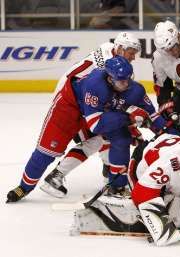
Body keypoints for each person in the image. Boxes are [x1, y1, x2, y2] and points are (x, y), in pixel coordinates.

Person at [6, 56, 176, 203]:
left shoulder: (134, 88)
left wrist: (171, 136)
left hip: (100, 112)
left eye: (128, 78)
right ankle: (24, 187)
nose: (126, 84)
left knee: (121, 138)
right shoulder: (96, 85)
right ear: (109, 78)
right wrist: (129, 118)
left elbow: (152, 115)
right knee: (48, 150)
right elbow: (96, 125)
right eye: (121, 80)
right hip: (69, 108)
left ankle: (116, 187)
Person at [38, 32, 142, 198]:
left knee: (105, 138)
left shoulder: (114, 60)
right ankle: (56, 176)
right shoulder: (106, 61)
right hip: (75, 105)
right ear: (120, 48)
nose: (134, 57)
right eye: (131, 53)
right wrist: (127, 122)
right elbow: (105, 95)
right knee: (97, 140)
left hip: (83, 103)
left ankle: (110, 170)